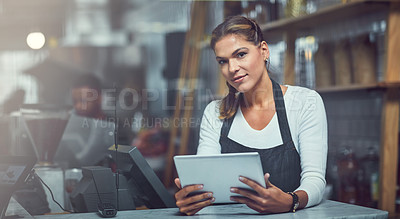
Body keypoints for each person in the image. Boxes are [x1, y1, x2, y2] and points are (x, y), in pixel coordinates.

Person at [174, 16, 327, 215]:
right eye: (223, 61)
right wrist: (192, 198)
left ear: (263, 50)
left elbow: (315, 180)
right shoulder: (214, 112)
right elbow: (205, 183)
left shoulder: (305, 102)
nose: (232, 68)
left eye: (241, 54)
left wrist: (291, 201)